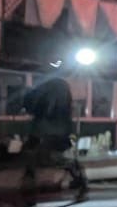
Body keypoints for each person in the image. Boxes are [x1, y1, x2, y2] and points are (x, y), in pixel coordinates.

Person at [20, 61, 87, 198]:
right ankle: (78, 178)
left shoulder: (46, 87)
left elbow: (39, 105)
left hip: (45, 128)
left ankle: (29, 180)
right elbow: (64, 108)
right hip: (58, 128)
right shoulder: (61, 86)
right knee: (52, 155)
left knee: (38, 154)